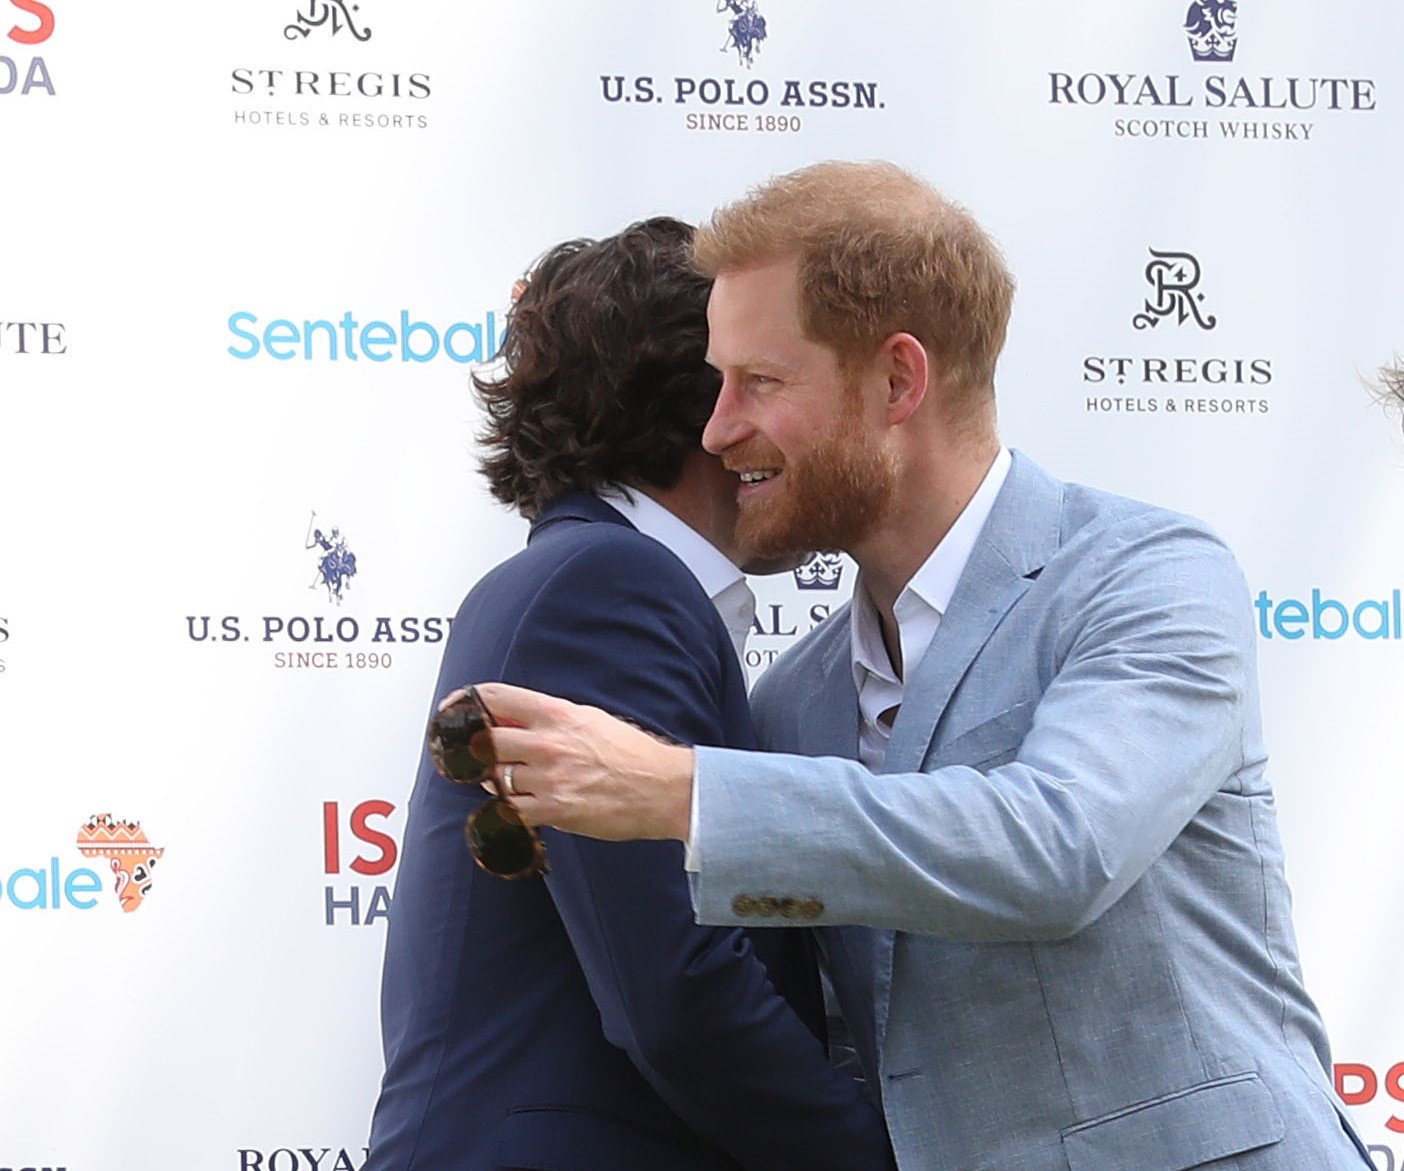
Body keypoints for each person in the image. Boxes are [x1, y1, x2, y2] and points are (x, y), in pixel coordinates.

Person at [472, 164, 1373, 1170]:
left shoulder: (1147, 575)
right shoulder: (791, 701)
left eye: (758, 383)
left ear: (899, 380)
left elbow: (1058, 849)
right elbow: (854, 1039)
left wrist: (681, 793)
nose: (717, 429)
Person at [364, 217, 893, 1171]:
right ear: (705, 404)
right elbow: (676, 986)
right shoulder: (607, 587)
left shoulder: (588, 579)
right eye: (770, 380)